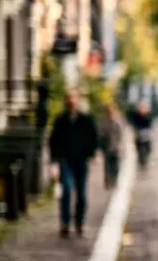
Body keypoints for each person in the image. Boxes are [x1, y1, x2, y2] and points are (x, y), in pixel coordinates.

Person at [48, 90, 99, 238]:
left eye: (74, 98)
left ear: (78, 100)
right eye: (69, 98)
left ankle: (79, 222)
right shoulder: (60, 121)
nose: (72, 101)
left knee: (81, 194)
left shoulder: (86, 120)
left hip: (81, 161)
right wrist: (54, 160)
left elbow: (93, 137)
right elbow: (53, 141)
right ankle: (64, 223)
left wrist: (92, 153)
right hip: (65, 160)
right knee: (67, 190)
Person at [98, 104, 125, 190]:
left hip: (116, 146)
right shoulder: (103, 121)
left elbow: (121, 132)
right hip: (106, 146)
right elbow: (100, 133)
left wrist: (120, 144)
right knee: (107, 165)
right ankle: (108, 181)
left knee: (116, 165)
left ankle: (114, 179)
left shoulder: (118, 120)